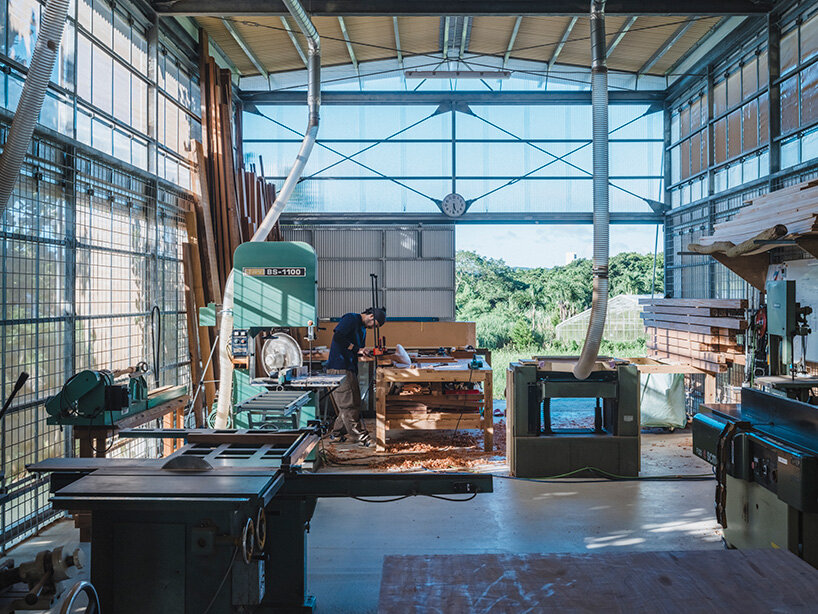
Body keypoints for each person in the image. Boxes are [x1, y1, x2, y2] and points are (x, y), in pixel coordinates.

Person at [325, 307, 386, 446]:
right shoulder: (350, 318)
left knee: (353, 403)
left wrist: (363, 351)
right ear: (371, 316)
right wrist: (357, 349)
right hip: (339, 368)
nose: (373, 328)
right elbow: (338, 336)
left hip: (349, 367)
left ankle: (337, 433)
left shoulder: (362, 328)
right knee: (349, 405)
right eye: (374, 325)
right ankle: (362, 438)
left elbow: (355, 349)